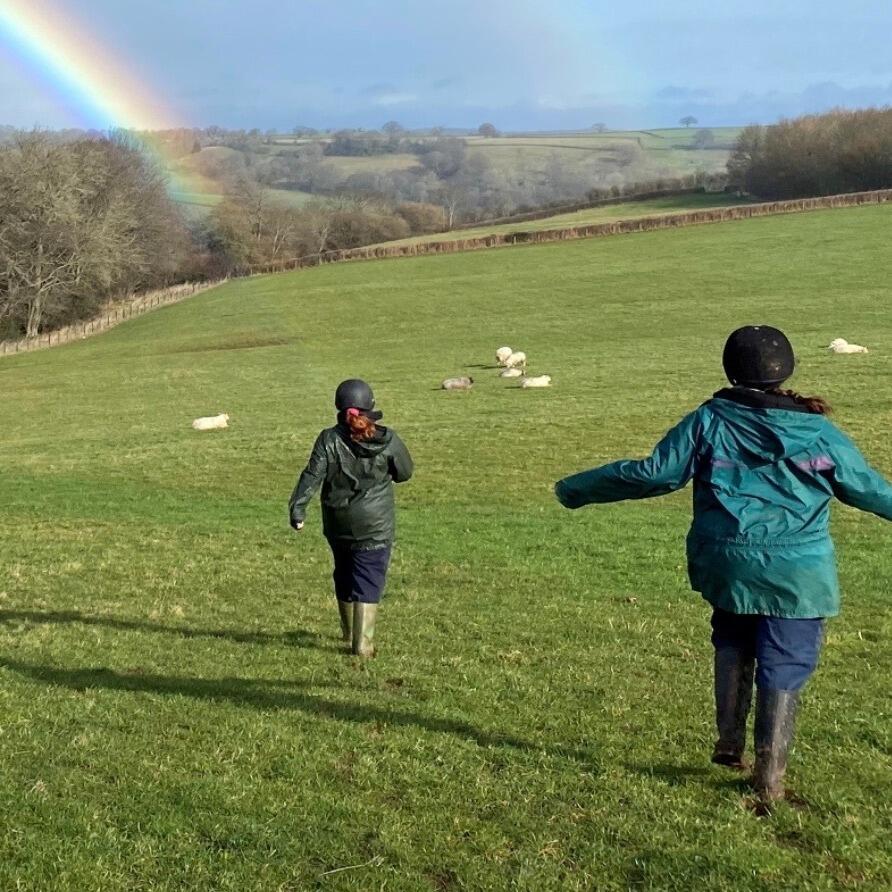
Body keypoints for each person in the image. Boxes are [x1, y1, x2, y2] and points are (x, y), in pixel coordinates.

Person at [554, 326, 892, 802]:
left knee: (733, 633)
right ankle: (769, 778)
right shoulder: (818, 433)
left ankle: (730, 741)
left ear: (730, 369)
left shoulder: (709, 420)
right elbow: (869, 489)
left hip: (727, 560)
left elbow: (655, 473)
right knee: (786, 657)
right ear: (787, 370)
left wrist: (577, 488)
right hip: (796, 569)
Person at [289, 379, 413, 657]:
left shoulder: (328, 439)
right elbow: (405, 473)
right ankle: (362, 644)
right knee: (368, 579)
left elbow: (311, 476)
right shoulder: (388, 439)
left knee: (344, 573)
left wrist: (298, 509)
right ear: (370, 405)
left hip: (338, 523)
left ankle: (348, 633)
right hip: (375, 525)